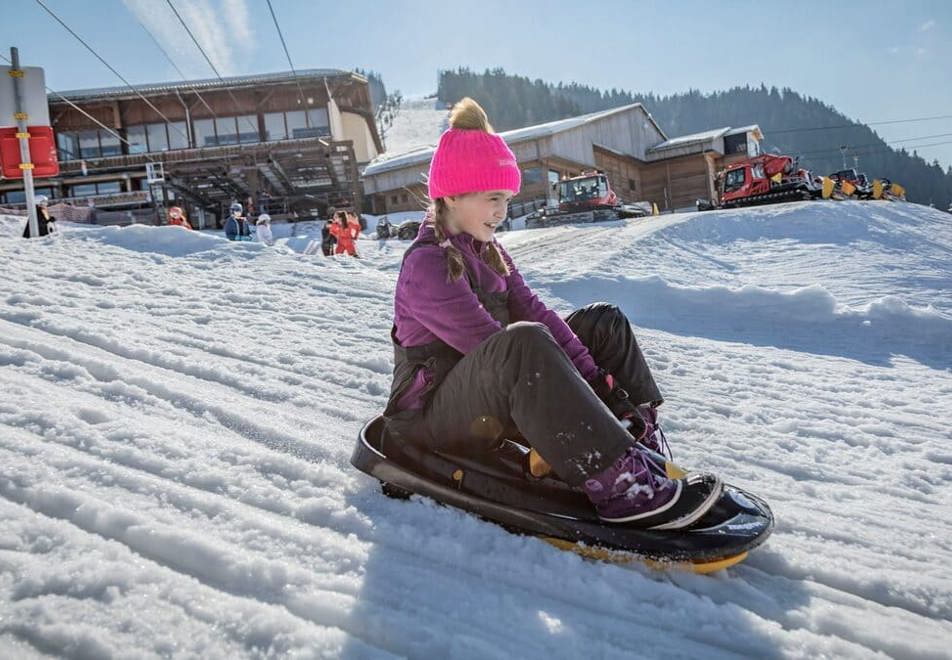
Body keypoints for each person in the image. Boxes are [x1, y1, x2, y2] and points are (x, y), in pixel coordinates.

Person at [382, 98, 721, 530]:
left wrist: (602, 385)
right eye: (492, 198)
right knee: (522, 342)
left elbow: (538, 313)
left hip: (484, 397)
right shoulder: (426, 265)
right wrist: (582, 395)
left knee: (604, 322)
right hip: (429, 423)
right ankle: (621, 487)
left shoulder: (489, 251)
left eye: (506, 198)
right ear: (451, 194)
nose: (503, 212)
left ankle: (635, 442)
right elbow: (493, 346)